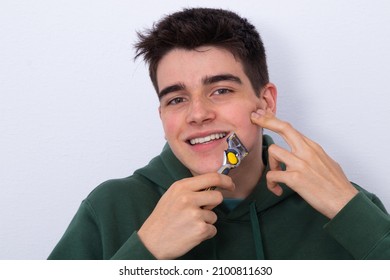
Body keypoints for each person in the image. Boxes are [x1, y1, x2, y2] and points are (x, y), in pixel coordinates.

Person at [48, 7, 390, 260]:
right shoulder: (109, 208)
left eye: (221, 90)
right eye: (177, 99)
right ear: (163, 116)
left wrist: (351, 212)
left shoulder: (342, 202)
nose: (198, 114)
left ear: (266, 101)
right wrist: (144, 253)